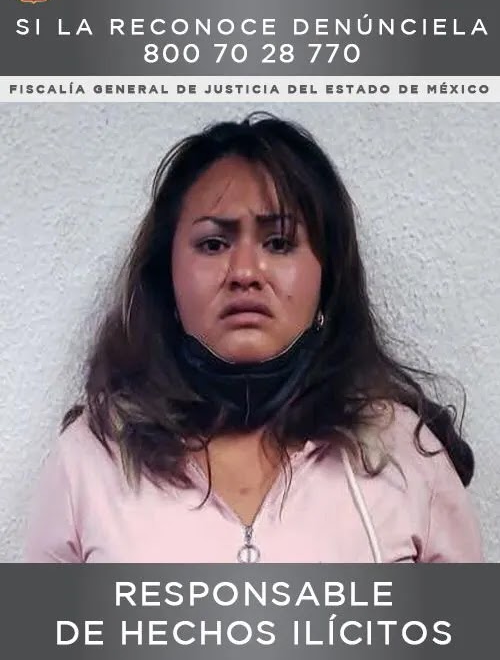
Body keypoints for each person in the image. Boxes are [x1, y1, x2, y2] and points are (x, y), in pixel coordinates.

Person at [24, 112, 483, 563]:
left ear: (328, 279)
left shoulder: (406, 454)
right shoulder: (91, 459)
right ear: (167, 278)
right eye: (213, 244)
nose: (245, 272)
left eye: (279, 243)